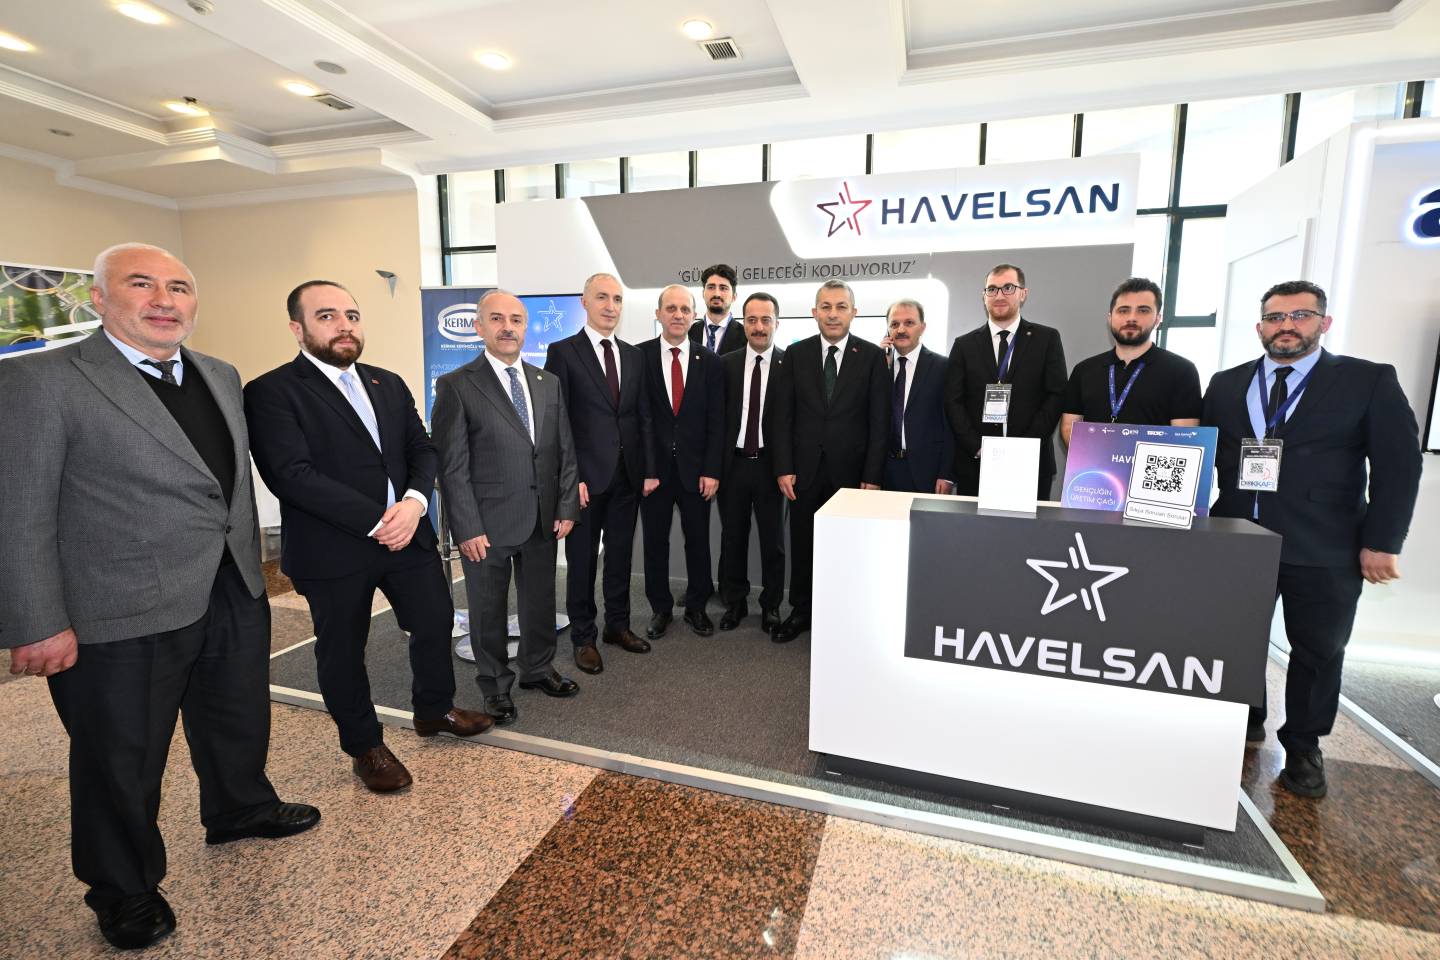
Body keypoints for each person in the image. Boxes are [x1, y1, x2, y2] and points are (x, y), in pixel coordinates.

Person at [0, 243, 319, 950]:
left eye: (179, 286)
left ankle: (239, 808)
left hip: (229, 586)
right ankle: (124, 888)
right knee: (121, 756)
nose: (165, 300)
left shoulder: (218, 373)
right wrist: (36, 620)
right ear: (98, 298)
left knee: (235, 717)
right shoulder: (40, 380)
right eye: (141, 284)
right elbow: (17, 510)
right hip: (119, 607)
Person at [245, 280, 492, 794]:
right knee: (342, 650)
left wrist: (415, 503)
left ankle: (434, 710)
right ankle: (365, 747)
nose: (344, 326)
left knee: (434, 621)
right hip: (334, 548)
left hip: (408, 535)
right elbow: (292, 475)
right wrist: (380, 520)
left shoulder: (387, 383)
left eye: (352, 316)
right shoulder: (271, 391)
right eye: (327, 316)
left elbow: (422, 449)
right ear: (297, 328)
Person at [1203, 279, 1422, 798]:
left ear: (1324, 323)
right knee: (1235, 638)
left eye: (1299, 315)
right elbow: (1202, 454)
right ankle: (1247, 715)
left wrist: (1382, 541)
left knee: (1318, 651)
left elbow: (1398, 465)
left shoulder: (1366, 380)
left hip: (1326, 544)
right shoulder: (1226, 384)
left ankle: (1303, 745)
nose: (1286, 326)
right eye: (1275, 317)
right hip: (1239, 538)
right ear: (1260, 327)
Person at [431, 291, 581, 726]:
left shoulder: (547, 382)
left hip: (542, 516)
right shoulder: (457, 385)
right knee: (487, 608)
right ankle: (495, 685)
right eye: (496, 319)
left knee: (540, 601)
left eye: (516, 319)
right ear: (479, 327)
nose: (507, 327)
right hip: (487, 524)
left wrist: (566, 505)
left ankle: (537, 669)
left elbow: (564, 450)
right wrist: (467, 527)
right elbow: (452, 466)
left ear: (526, 327)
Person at [543, 273, 659, 673]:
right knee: (582, 563)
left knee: (621, 557)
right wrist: (570, 478)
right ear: (585, 302)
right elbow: (557, 420)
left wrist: (648, 470)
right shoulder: (563, 352)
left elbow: (643, 416)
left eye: (617, 299)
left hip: (628, 476)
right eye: (602, 298)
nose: (611, 306)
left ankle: (617, 626)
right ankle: (583, 637)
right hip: (585, 481)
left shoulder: (634, 356)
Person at [770, 279, 888, 642]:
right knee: (803, 544)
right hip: (803, 473)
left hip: (852, 475)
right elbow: (781, 416)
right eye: (826, 307)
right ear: (814, 312)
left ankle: (843, 616)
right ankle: (801, 611)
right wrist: (783, 467)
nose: (833, 314)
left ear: (854, 312)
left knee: (848, 549)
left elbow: (879, 421)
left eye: (840, 307)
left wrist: (872, 475)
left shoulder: (872, 357)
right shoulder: (796, 354)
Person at [640, 285, 725, 638]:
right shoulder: (638, 357)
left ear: (694, 316)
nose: (678, 315)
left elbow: (717, 421)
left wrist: (712, 470)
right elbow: (638, 418)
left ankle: (696, 607)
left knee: (698, 542)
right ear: (658, 314)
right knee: (654, 543)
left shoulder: (711, 362)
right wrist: (645, 469)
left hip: (696, 472)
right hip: (654, 473)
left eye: (685, 309)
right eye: (671, 308)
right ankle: (660, 609)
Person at [943, 264, 1067, 499]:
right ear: (984, 297)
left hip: (1030, 463)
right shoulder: (964, 345)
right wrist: (977, 447)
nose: (999, 295)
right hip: (976, 464)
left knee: (1027, 526)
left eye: (1008, 288)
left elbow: (1056, 395)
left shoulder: (1046, 339)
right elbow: (953, 401)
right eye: (992, 289)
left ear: (1023, 294)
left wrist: (1023, 447)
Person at [717, 292, 788, 634]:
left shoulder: (789, 365)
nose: (759, 327)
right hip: (733, 466)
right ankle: (735, 603)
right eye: (752, 320)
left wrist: (788, 467)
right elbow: (716, 420)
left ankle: (771, 605)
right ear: (743, 323)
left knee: (773, 542)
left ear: (777, 323)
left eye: (766, 320)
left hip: (772, 467)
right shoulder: (725, 364)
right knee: (733, 539)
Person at [1059, 277, 1201, 445]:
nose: (1132, 318)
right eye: (1123, 310)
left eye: (1143, 310)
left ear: (1157, 319)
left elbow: (1185, 438)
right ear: (1110, 318)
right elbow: (1068, 427)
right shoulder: (1084, 370)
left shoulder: (1182, 371)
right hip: (1094, 462)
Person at [878, 298, 955, 494]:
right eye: (894, 324)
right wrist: (879, 365)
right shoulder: (879, 366)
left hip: (927, 472)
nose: (901, 329)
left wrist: (946, 474)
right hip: (884, 471)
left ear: (922, 327)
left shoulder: (942, 367)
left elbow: (951, 425)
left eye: (909, 323)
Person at [688, 263, 746, 354]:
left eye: (723, 288)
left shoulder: (745, 336)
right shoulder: (688, 332)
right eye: (711, 287)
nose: (716, 294)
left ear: (734, 296)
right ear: (703, 293)